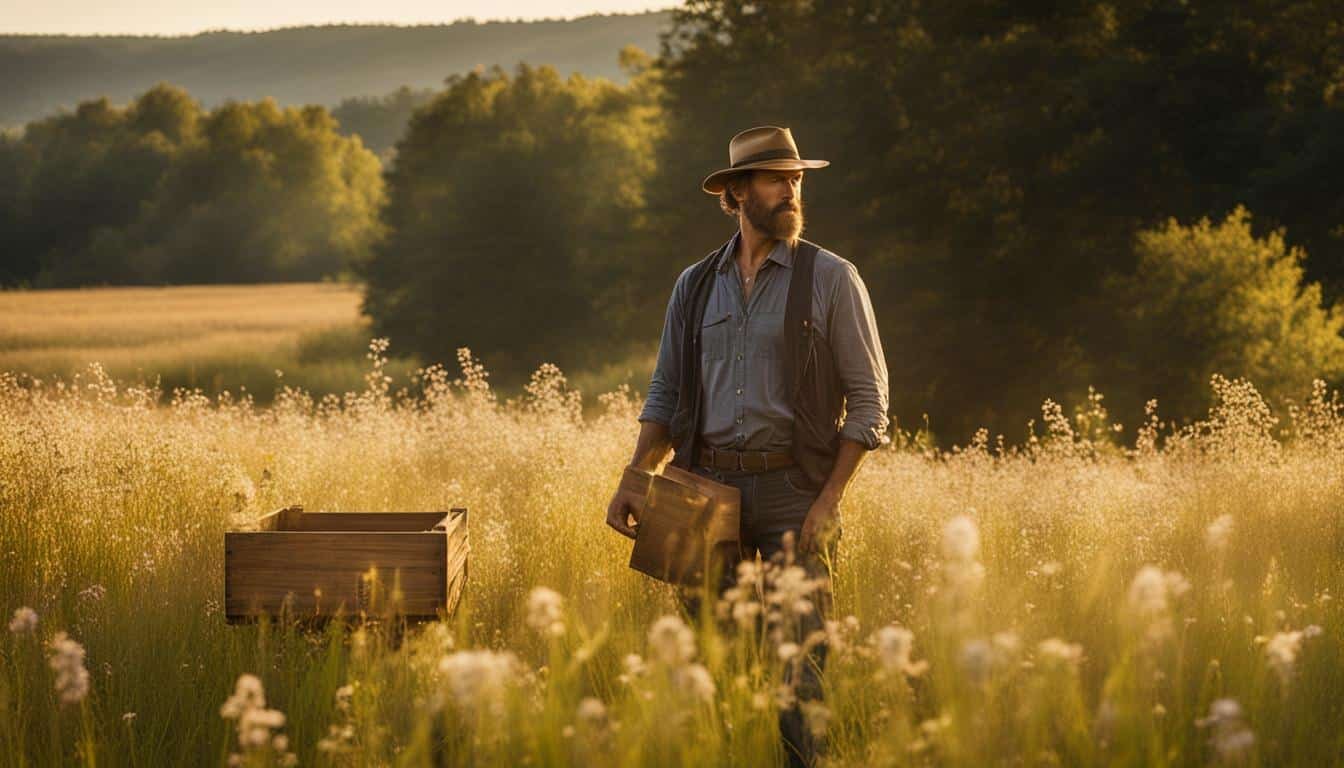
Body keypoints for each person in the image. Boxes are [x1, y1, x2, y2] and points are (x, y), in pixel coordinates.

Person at [605, 125, 889, 767]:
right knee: (714, 663)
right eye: (776, 179)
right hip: (702, 491)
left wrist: (829, 501)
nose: (792, 190)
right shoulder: (694, 285)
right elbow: (665, 391)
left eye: (797, 179)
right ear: (735, 194)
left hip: (795, 493)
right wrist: (634, 478)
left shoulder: (833, 278)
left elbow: (870, 402)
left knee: (802, 664)